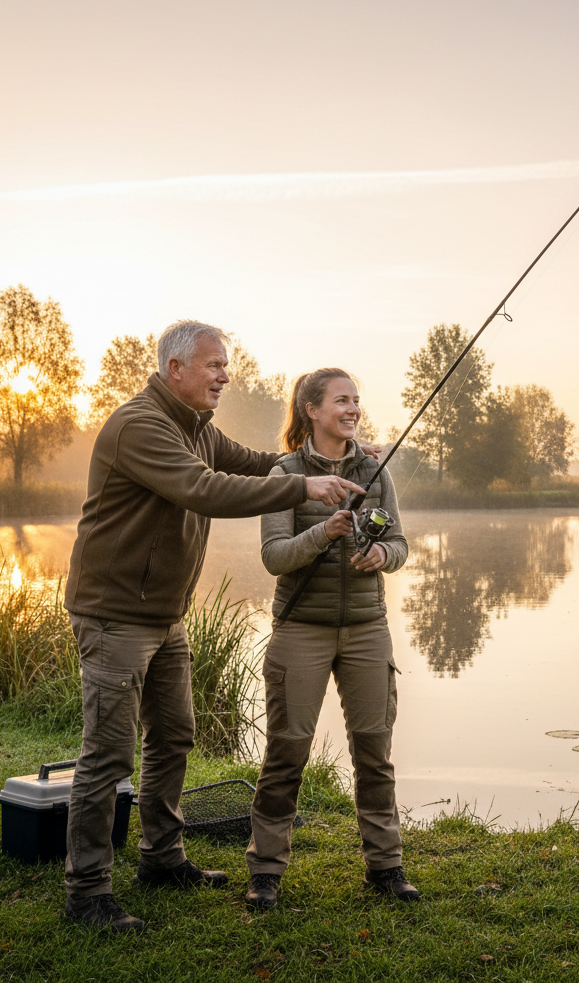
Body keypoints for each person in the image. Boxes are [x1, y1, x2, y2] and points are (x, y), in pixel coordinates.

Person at [63, 322, 368, 934]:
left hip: (163, 614)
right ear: (175, 369)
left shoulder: (197, 428)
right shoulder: (140, 426)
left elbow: (255, 462)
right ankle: (87, 891)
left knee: (174, 736)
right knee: (108, 755)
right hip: (115, 614)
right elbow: (204, 489)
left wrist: (334, 459)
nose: (225, 375)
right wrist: (302, 484)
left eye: (225, 365)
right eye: (214, 365)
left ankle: (161, 857)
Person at [245, 367, 418, 908]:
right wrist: (326, 531)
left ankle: (385, 867)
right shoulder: (284, 473)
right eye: (341, 400)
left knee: (374, 751)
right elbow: (275, 557)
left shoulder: (375, 469)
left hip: (368, 628)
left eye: (356, 400)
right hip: (301, 630)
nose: (352, 408)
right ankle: (266, 870)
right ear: (311, 410)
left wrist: (380, 555)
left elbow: (401, 542)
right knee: (286, 751)